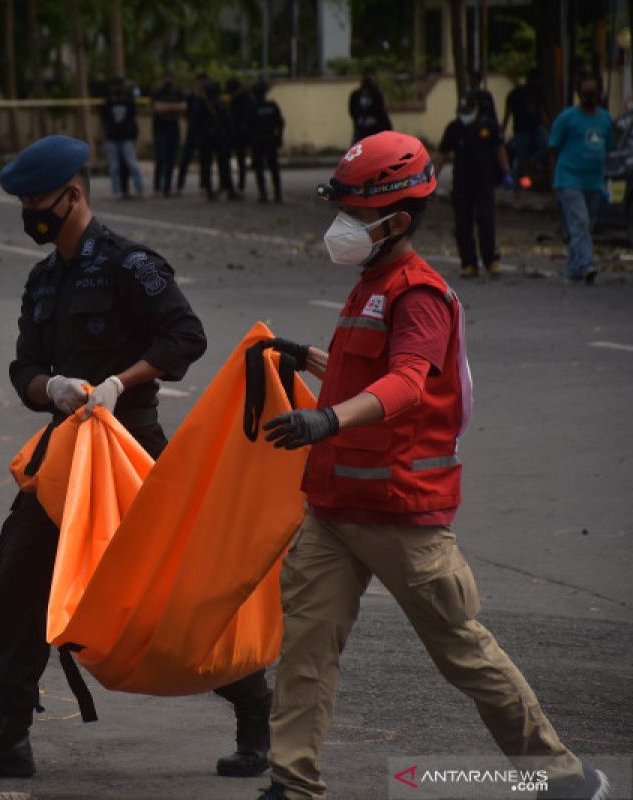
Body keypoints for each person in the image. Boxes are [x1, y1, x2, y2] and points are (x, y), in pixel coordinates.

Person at [249, 130, 611, 800]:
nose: (342, 226)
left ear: (397, 221)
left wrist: (325, 419)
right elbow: (364, 375)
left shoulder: (419, 294)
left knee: (463, 652)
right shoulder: (370, 284)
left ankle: (556, 774)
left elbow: (409, 383)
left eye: (356, 215)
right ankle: (290, 782)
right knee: (306, 650)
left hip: (402, 514)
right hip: (333, 510)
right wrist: (300, 358)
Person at [0, 134, 273, 780]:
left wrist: (122, 381)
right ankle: (7, 731)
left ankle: (256, 711)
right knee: (22, 583)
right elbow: (25, 366)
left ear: (74, 195)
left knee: (171, 597)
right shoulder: (43, 280)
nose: (30, 210)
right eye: (24, 200)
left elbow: (186, 335)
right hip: (66, 454)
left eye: (38, 200)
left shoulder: (128, 265)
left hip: (130, 448)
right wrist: (50, 388)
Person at [434, 91, 514, 279]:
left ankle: (491, 260)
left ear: (477, 109)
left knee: (486, 220)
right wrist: (432, 178)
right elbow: (442, 156)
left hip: (484, 182)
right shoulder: (453, 129)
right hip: (462, 183)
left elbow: (499, 149)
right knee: (463, 224)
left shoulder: (488, 126)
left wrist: (506, 172)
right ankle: (468, 263)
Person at [549, 73, 613, 285]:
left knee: (585, 227)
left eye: (593, 92)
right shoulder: (568, 118)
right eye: (585, 93)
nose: (589, 97)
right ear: (578, 94)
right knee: (581, 223)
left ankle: (573, 269)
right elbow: (553, 147)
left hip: (594, 182)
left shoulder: (605, 119)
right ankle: (586, 264)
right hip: (569, 180)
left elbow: (609, 148)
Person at [502, 68, 551, 189]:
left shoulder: (537, 93)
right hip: (521, 130)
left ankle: (531, 163)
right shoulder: (515, 94)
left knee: (546, 147)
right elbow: (507, 114)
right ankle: (517, 184)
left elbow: (541, 112)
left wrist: (549, 128)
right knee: (521, 161)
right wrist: (502, 131)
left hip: (535, 127)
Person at [100, 78, 144, 199]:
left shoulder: (129, 102)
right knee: (114, 167)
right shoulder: (108, 102)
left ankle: (140, 190)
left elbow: (134, 120)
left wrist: (135, 135)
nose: (118, 89)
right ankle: (117, 192)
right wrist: (104, 136)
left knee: (132, 164)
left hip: (126, 138)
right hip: (111, 139)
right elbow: (103, 120)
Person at [196, 79, 238, 201]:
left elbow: (196, 122)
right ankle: (227, 188)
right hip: (217, 137)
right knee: (222, 164)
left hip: (209, 137)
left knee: (209, 165)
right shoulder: (216, 103)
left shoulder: (202, 103)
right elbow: (226, 120)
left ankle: (213, 190)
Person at [151, 72, 187, 197]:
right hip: (160, 130)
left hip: (173, 129)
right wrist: (174, 107)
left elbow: (183, 107)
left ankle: (167, 188)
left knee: (172, 159)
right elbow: (158, 108)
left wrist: (167, 107)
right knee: (162, 157)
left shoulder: (178, 93)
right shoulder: (158, 92)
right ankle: (157, 187)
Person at [249, 80, 284, 203]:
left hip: (259, 141)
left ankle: (263, 195)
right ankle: (277, 194)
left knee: (260, 169)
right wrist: (279, 138)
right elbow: (280, 123)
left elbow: (248, 126)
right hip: (270, 139)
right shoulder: (272, 106)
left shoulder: (252, 108)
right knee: (273, 167)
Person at [176, 72, 208, 193]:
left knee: (204, 160)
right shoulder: (190, 97)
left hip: (204, 132)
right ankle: (179, 185)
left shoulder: (207, 98)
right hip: (192, 131)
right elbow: (184, 113)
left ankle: (204, 185)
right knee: (185, 159)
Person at [348, 68, 391, 144]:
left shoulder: (377, 94)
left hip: (375, 128)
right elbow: (352, 110)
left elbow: (380, 111)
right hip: (360, 128)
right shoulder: (356, 95)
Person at [227, 78, 254, 194]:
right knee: (240, 159)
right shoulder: (244, 98)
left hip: (241, 133)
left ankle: (239, 185)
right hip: (237, 132)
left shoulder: (243, 99)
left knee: (241, 159)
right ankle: (237, 185)